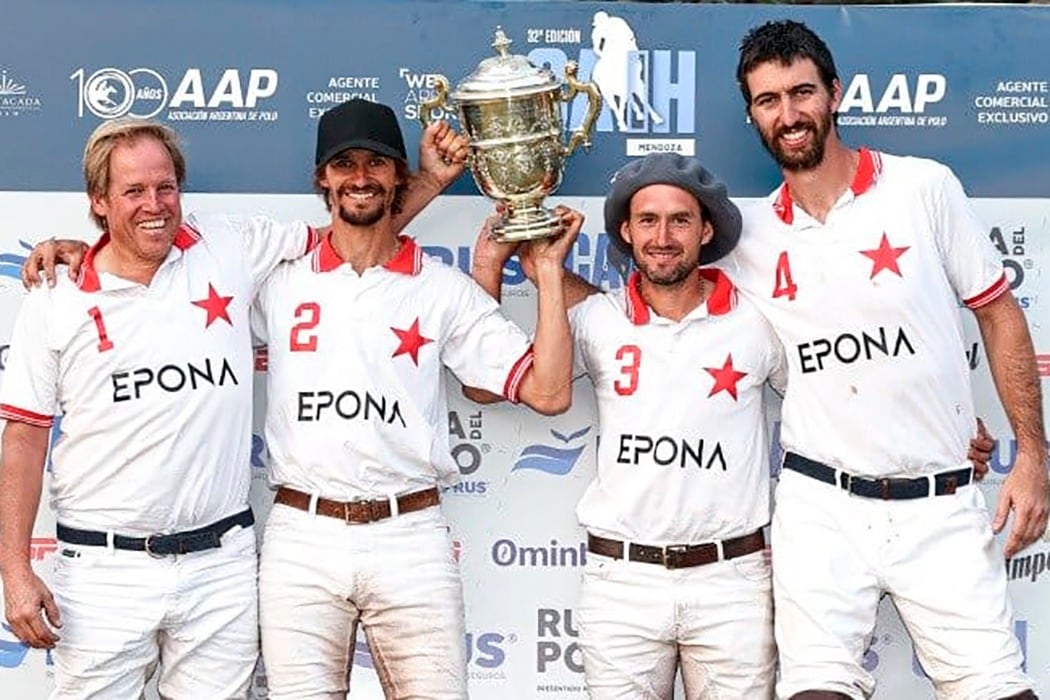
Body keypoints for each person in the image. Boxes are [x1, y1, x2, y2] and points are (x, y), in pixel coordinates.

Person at [0, 109, 467, 698]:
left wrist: (427, 181)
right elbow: (23, 436)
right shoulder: (56, 295)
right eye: (134, 191)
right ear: (98, 201)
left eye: (166, 187)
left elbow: (352, 232)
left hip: (220, 567)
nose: (155, 204)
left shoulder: (229, 245)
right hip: (101, 574)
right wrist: (15, 571)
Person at [724, 19, 1048, 700]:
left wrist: (1032, 457)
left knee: (999, 691)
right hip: (821, 505)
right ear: (752, 113)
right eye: (768, 100)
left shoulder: (923, 188)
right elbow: (657, 298)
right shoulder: (745, 233)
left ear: (834, 94)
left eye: (802, 92)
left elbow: (997, 312)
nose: (789, 114)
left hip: (941, 498)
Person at [250, 98, 576, 698]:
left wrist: (550, 273)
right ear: (322, 178)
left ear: (397, 176)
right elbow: (169, 282)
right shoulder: (276, 281)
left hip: (410, 534)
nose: (360, 177)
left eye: (376, 164)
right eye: (344, 164)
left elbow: (551, 393)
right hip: (303, 534)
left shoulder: (442, 289)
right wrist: (79, 251)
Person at [472, 153, 784, 698]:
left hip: (731, 580)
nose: (662, 236)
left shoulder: (758, 322)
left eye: (680, 220)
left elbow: (832, 402)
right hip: (623, 583)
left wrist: (945, 433)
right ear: (625, 231)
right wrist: (502, 264)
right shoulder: (595, 319)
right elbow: (486, 383)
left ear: (706, 230)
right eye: (648, 220)